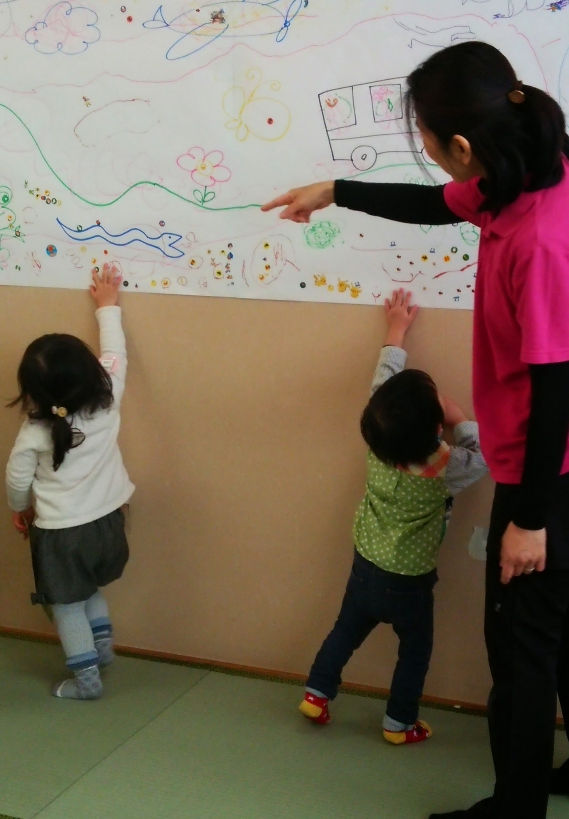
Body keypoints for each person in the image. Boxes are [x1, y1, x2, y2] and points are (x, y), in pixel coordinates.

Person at [263, 40, 569, 819]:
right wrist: (334, 190)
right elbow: (435, 205)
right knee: (550, 637)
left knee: (521, 656)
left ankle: (517, 808)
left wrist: (531, 519)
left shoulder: (537, 240)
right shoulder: (527, 172)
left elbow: (555, 389)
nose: (428, 154)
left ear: (461, 146)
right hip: (543, 466)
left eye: (427, 141)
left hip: (547, 475)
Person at [301, 289, 487, 744]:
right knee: (415, 652)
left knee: (345, 631)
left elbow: (383, 381)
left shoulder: (378, 436)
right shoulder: (447, 466)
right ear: (435, 427)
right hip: (410, 582)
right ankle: (398, 724)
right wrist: (461, 419)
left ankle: (316, 693)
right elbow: (484, 457)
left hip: (366, 564)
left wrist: (397, 329)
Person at [6, 264, 134, 700]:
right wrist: (107, 306)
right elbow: (115, 352)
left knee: (65, 605)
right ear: (91, 372)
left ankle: (86, 680)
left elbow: (17, 478)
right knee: (88, 587)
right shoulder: (109, 397)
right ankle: (103, 648)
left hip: (62, 534)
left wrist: (19, 507)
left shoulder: (34, 431)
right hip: (109, 523)